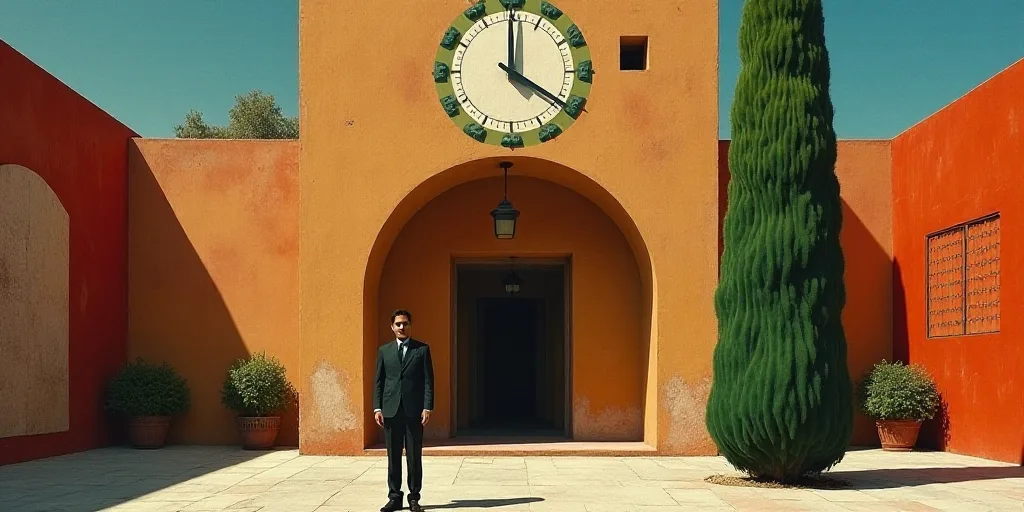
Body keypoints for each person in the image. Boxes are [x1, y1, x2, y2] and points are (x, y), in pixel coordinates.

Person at [374, 309, 434, 512]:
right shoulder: (384, 351)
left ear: (410, 325)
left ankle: (414, 497)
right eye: (398, 324)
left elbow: (428, 381)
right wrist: (377, 407)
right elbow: (379, 381)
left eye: (405, 323)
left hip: (414, 411)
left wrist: (427, 407)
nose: (402, 327)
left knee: (414, 456)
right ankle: (394, 497)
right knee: (393, 456)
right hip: (390, 410)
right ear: (392, 327)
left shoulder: (422, 350)